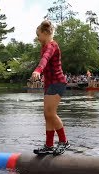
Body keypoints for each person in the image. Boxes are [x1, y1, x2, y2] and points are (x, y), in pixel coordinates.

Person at [31, 20, 70, 156]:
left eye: (39, 35)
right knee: (47, 115)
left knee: (51, 114)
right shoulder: (44, 46)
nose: (37, 38)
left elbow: (45, 59)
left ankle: (64, 141)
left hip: (57, 83)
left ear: (46, 33)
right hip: (50, 85)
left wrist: (38, 70)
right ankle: (49, 145)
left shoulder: (51, 46)